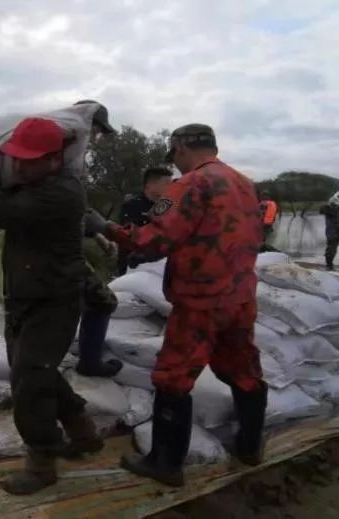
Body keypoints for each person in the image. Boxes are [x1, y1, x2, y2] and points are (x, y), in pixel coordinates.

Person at [85, 124, 266, 487]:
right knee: (243, 371)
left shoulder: (189, 185)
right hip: (240, 297)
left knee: (173, 379)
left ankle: (165, 463)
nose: (176, 164)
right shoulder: (244, 182)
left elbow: (155, 241)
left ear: (181, 148)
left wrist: (106, 228)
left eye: (176, 156)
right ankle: (250, 447)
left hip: (201, 300)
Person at [0, 117, 103, 496]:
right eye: (18, 159)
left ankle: (42, 462)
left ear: (56, 157)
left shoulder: (62, 192)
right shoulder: (30, 185)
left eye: (33, 159)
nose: (24, 166)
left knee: (29, 381)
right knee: (34, 371)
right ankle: (83, 433)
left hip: (54, 301)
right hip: (24, 296)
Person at [116, 167, 173, 275]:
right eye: (166, 183)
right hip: (133, 268)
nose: (170, 187)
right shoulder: (132, 206)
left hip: (158, 267)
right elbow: (129, 237)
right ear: (149, 185)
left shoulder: (166, 208)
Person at [319, 191, 339, 271]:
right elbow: (322, 210)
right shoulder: (330, 209)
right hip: (333, 233)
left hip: (333, 233)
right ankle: (329, 266)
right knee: (331, 250)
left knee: (331, 250)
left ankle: (329, 265)